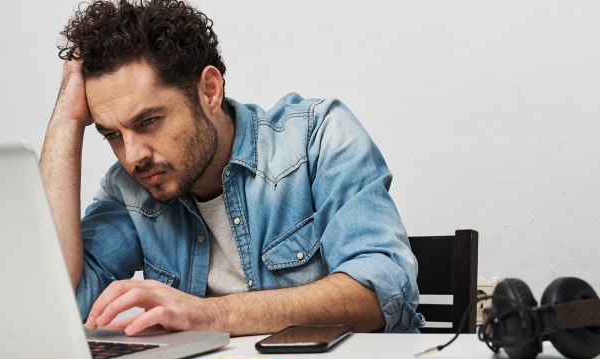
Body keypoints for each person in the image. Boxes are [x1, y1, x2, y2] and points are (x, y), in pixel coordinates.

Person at [40, 0, 423, 336]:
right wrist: (65, 121)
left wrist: (209, 315)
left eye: (148, 121)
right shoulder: (130, 190)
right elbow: (56, 305)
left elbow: (384, 290)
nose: (133, 155)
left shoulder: (316, 137)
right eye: (112, 135)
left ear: (209, 90)